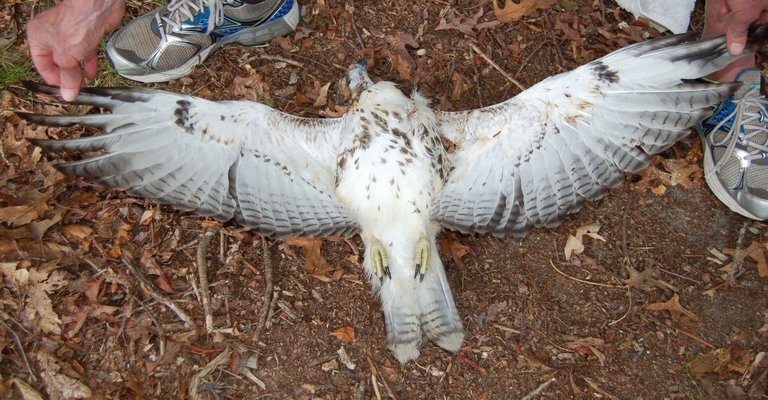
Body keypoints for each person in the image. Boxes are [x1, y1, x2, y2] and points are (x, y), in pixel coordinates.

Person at [24, 0, 768, 219]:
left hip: (412, 196)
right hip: (409, 199)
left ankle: (721, 60)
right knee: (211, 120)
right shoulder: (293, 136)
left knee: (582, 93)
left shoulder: (458, 129)